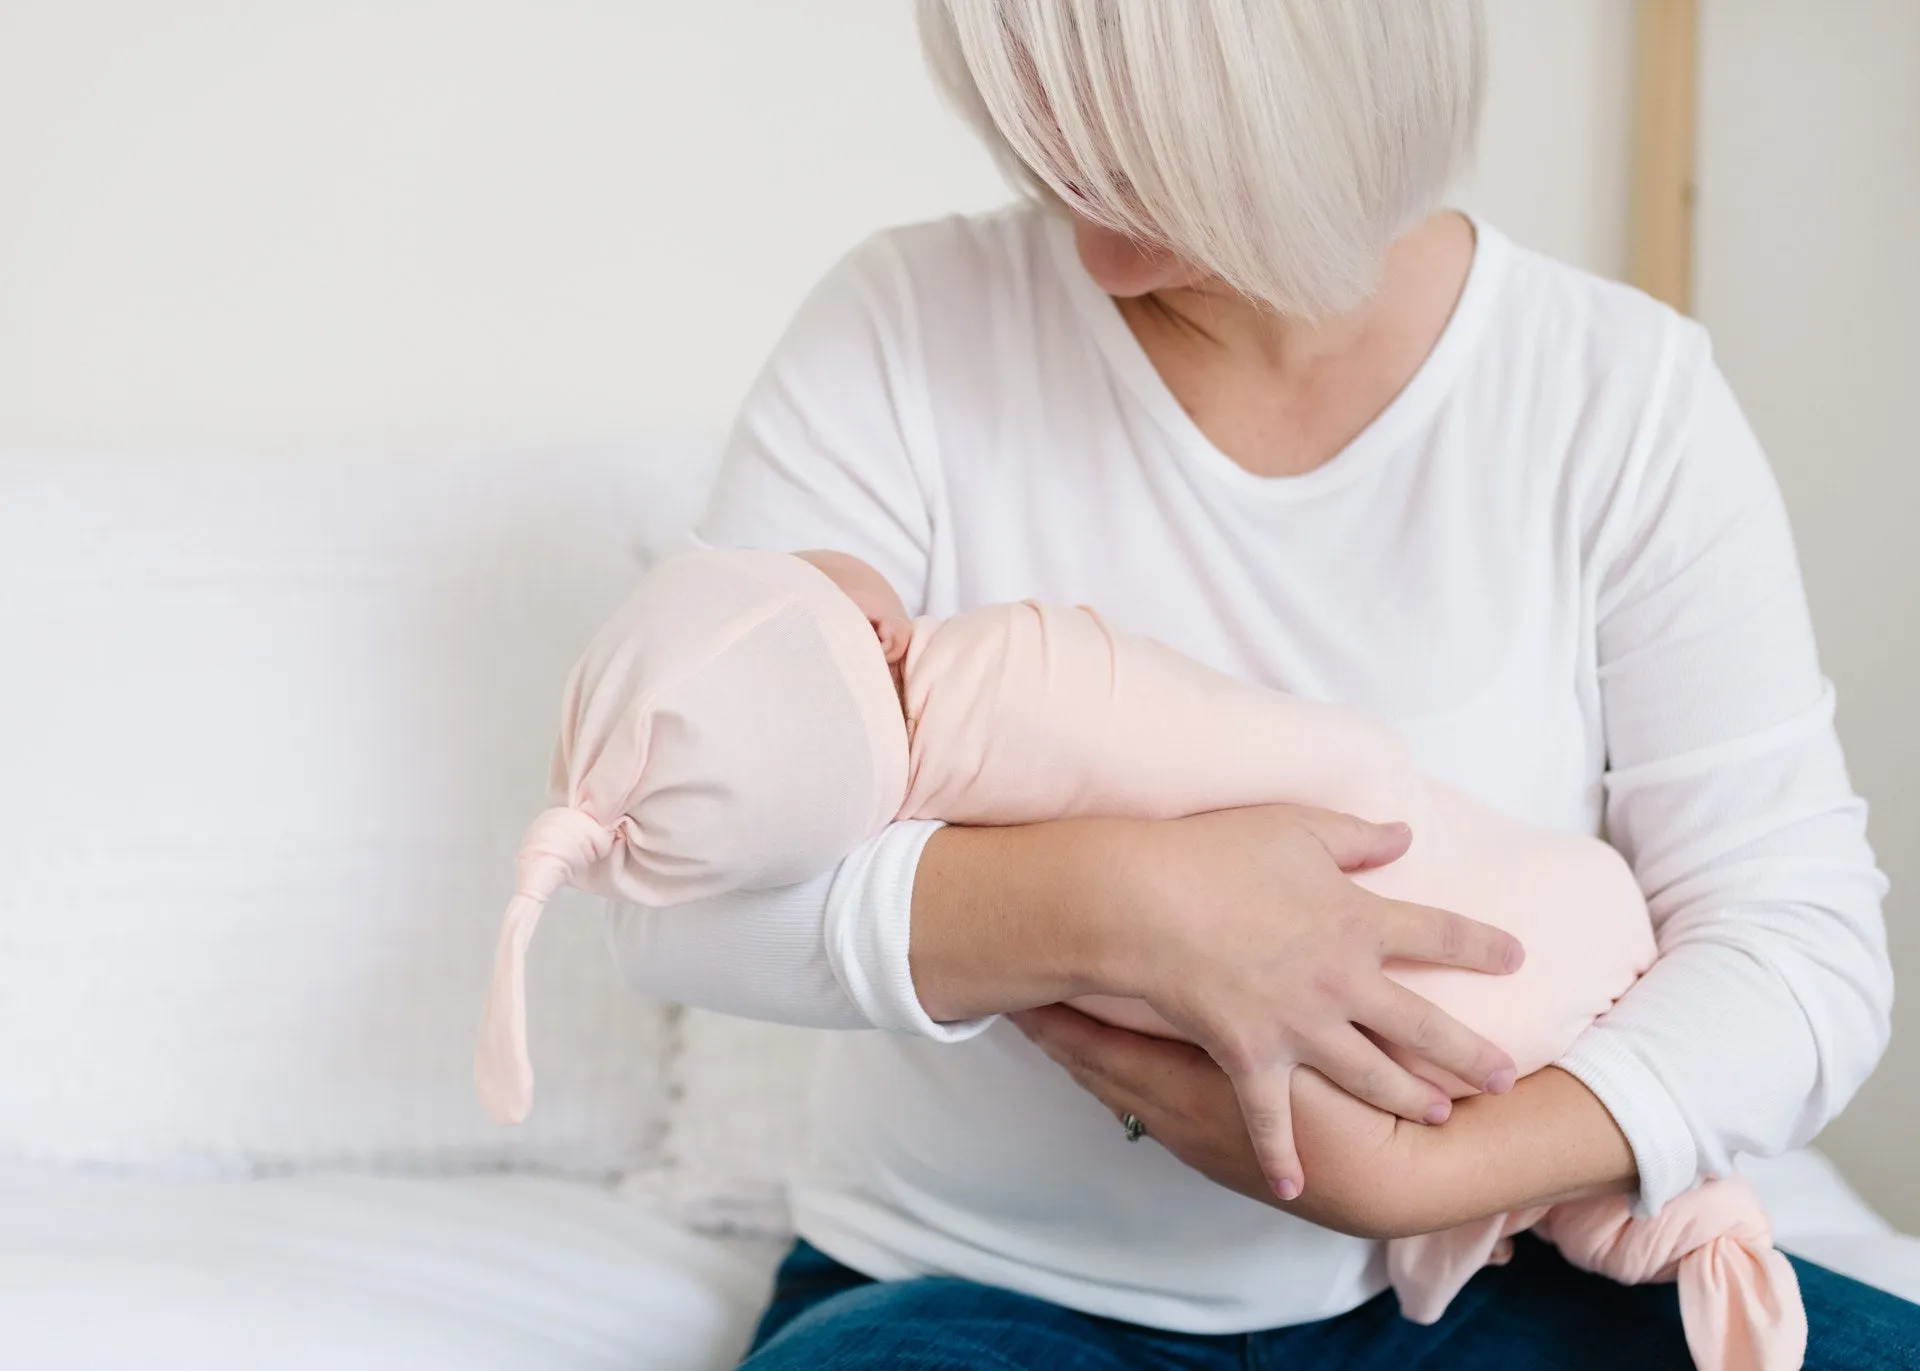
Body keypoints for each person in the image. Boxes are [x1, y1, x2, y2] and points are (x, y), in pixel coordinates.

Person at [608, 1, 1916, 1365]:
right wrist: (1120, 907)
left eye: (1162, 175)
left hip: (1483, 1279)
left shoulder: (1615, 394)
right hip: (971, 1294)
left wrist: (1416, 1178)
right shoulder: (902, 331)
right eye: (1053, 160)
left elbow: (1797, 945)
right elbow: (671, 891)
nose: (1100, 254)